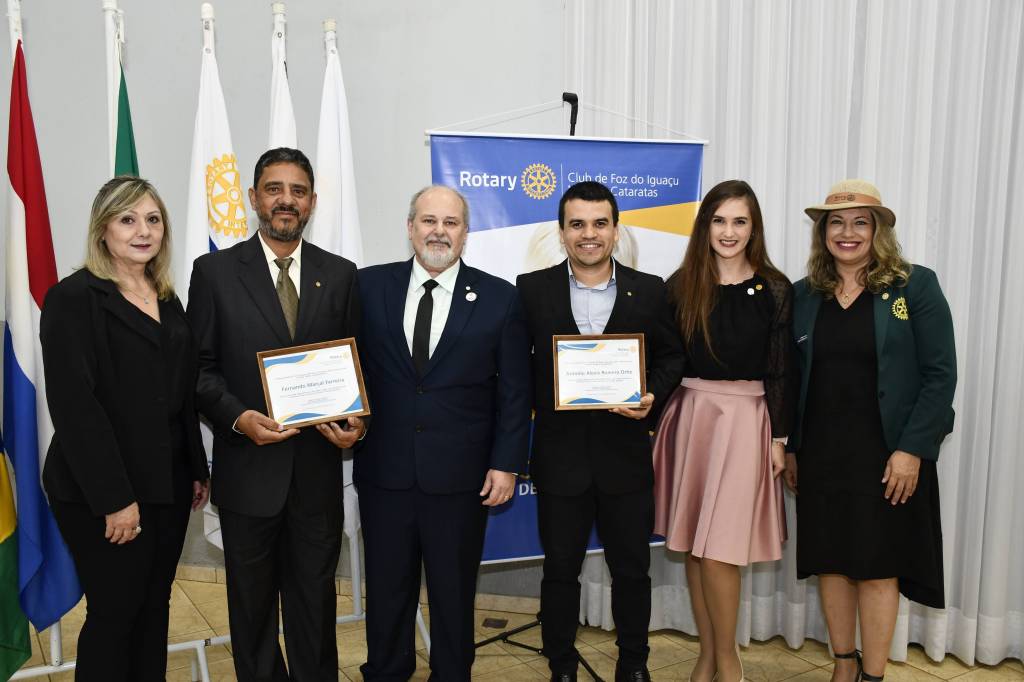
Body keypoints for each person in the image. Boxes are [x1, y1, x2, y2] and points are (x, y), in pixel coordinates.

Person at [187, 147, 363, 680]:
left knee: (315, 605)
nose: (287, 200)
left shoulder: (340, 275)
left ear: (311, 201)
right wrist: (238, 418)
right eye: (274, 189)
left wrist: (357, 422)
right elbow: (198, 370)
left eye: (298, 191)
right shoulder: (214, 273)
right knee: (252, 609)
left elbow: (358, 366)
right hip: (248, 473)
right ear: (253, 198)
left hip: (316, 476)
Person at [354, 185, 531, 681]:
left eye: (450, 222)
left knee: (453, 592)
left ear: (465, 233)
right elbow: (350, 367)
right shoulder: (368, 287)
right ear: (410, 227)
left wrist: (506, 463)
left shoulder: (501, 298)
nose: (439, 231)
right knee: (387, 588)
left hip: (460, 477)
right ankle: (386, 671)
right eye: (428, 220)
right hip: (385, 471)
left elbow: (515, 392)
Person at [785, 179, 956, 682]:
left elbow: (940, 374)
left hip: (888, 458)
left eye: (861, 222)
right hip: (821, 453)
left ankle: (873, 675)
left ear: (879, 230)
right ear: (823, 233)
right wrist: (792, 447)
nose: (848, 232)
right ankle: (844, 666)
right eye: (836, 222)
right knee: (832, 562)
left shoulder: (914, 286)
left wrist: (912, 450)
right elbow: (789, 377)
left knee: (879, 566)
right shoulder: (803, 295)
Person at [40, 176, 210, 680]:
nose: (144, 231)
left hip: (168, 483)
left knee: (154, 606)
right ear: (103, 229)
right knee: (116, 610)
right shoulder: (73, 298)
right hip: (102, 488)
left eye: (153, 220)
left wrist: (195, 468)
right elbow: (75, 407)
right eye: (128, 219)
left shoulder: (166, 297)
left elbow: (180, 390)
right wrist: (115, 499)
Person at [516, 181, 686, 682]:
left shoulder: (650, 289)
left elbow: (672, 357)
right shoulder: (531, 289)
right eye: (577, 224)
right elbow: (516, 371)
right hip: (559, 459)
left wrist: (650, 395)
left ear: (615, 229)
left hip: (625, 459)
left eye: (599, 223)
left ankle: (634, 664)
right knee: (559, 571)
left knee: (632, 571)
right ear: (562, 231)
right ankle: (561, 666)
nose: (588, 234)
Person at [651, 179, 795, 682]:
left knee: (720, 552)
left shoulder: (775, 288)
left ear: (754, 228)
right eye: (719, 220)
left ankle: (729, 660)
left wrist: (780, 439)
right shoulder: (679, 285)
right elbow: (668, 360)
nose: (728, 232)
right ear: (704, 226)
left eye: (739, 221)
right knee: (696, 547)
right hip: (691, 419)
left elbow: (781, 369)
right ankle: (708, 654)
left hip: (747, 422)